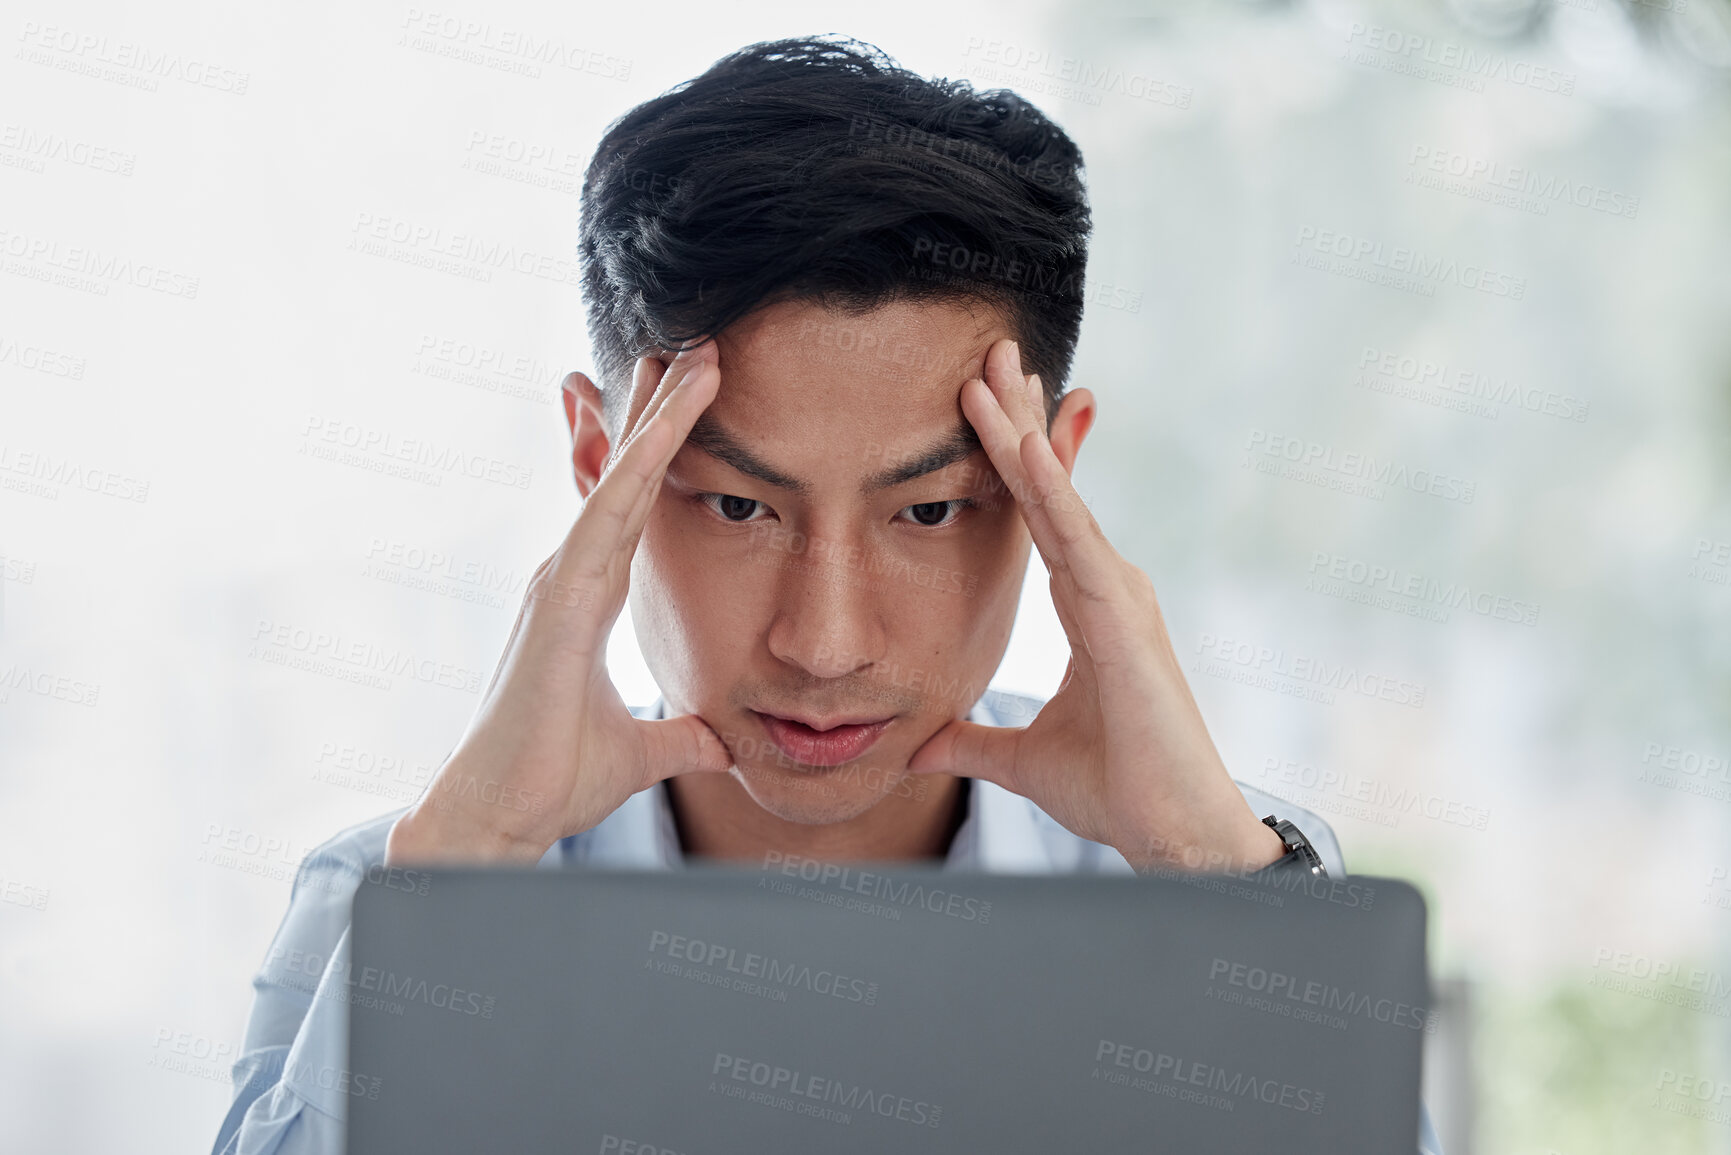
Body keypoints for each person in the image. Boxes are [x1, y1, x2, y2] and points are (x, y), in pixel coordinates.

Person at [212, 36, 1442, 1155]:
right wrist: (467, 878)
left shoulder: (1238, 877)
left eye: (928, 510)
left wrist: (1214, 883)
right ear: (602, 465)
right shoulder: (405, 892)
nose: (827, 642)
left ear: (1048, 472)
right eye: (740, 506)